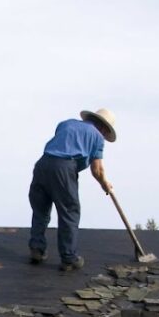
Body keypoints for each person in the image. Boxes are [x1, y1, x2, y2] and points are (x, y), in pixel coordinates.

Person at [28, 108, 116, 271]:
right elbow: (97, 170)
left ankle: (37, 249)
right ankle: (69, 258)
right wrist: (105, 184)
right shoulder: (97, 137)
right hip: (64, 168)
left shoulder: (66, 124)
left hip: (43, 164)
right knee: (69, 211)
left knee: (40, 210)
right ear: (104, 128)